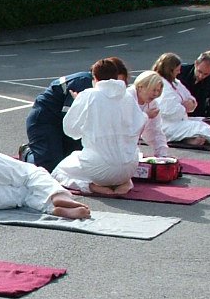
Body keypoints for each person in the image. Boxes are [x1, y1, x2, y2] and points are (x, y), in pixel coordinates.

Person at [52, 58, 162, 197]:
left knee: (58, 171)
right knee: (117, 167)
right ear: (116, 76)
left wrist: (78, 103)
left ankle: (92, 187)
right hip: (129, 167)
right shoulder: (127, 97)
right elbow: (138, 124)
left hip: (100, 167)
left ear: (95, 78)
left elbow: (71, 131)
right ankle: (124, 184)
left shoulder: (89, 95)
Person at [23, 69, 94, 171]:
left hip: (62, 121)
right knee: (51, 168)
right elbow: (72, 117)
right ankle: (27, 153)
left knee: (73, 161)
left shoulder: (94, 86)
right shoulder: (83, 82)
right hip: (45, 120)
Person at [153, 53, 210, 148]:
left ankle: (189, 139)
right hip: (167, 125)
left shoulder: (175, 82)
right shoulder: (162, 85)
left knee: (206, 122)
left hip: (180, 120)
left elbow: (191, 99)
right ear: (170, 70)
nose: (179, 72)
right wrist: (184, 107)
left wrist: (187, 105)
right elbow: (169, 111)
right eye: (177, 70)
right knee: (200, 127)